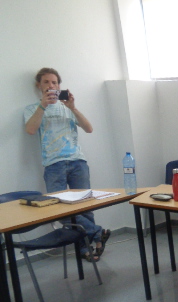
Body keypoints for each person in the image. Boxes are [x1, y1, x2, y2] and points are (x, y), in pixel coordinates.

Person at [24, 67, 110, 262]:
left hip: (77, 161)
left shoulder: (67, 108)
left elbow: (89, 128)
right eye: (46, 82)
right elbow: (30, 130)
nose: (51, 85)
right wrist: (43, 106)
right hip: (53, 165)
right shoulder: (32, 109)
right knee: (60, 210)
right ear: (39, 86)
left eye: (54, 82)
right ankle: (97, 233)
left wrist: (73, 107)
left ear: (59, 86)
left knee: (85, 207)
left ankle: (87, 249)